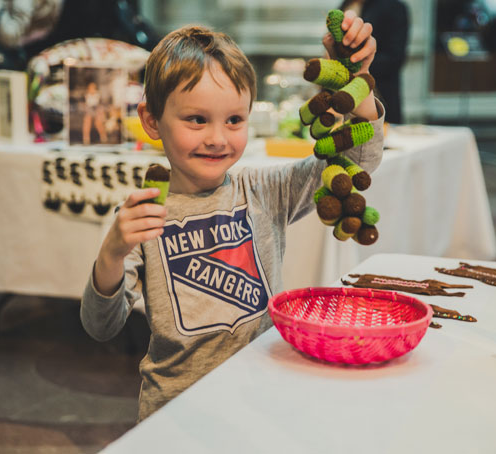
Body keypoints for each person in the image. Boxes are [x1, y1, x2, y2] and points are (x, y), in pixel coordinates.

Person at [80, 10, 385, 421]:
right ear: (152, 120)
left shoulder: (264, 192)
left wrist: (355, 81)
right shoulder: (143, 216)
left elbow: (356, 157)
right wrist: (112, 254)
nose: (217, 138)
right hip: (174, 415)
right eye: (196, 119)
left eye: (234, 120)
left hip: (261, 400)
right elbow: (102, 326)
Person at [341, 0, 409, 123]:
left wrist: (354, 64)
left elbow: (395, 58)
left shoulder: (393, 7)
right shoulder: (346, 4)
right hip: (344, 98)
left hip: (381, 96)